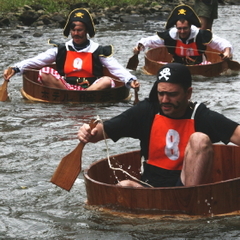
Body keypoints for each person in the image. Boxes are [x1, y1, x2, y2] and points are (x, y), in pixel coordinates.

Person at [78, 62, 240, 188]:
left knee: (199, 139)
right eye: (161, 93)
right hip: (150, 188)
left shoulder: (201, 115)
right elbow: (101, 132)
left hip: (186, 189)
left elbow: (237, 134)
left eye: (172, 94)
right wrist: (88, 131)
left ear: (188, 93)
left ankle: (189, 204)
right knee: (124, 186)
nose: (164, 100)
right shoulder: (146, 111)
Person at [3, 8, 139, 91]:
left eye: (79, 30)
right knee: (44, 72)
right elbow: (36, 61)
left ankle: (83, 96)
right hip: (65, 87)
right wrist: (15, 68)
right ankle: (70, 95)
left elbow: (116, 68)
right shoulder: (62, 49)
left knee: (107, 81)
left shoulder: (98, 50)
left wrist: (130, 79)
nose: (76, 33)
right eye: (73, 30)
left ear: (86, 31)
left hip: (91, 88)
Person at [133, 4, 232, 65]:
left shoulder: (200, 35)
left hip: (199, 66)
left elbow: (221, 43)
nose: (182, 31)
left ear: (190, 27)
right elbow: (149, 41)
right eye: (179, 28)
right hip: (177, 66)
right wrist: (139, 47)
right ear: (176, 27)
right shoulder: (170, 35)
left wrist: (227, 52)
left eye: (185, 28)